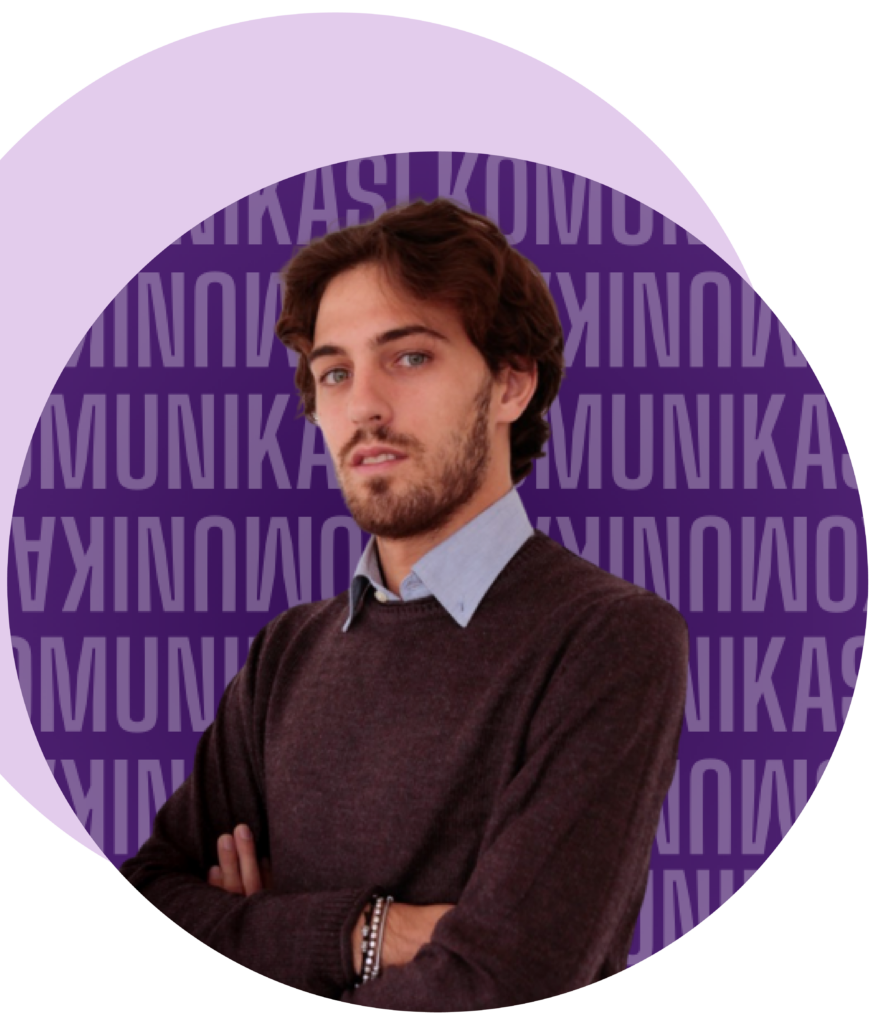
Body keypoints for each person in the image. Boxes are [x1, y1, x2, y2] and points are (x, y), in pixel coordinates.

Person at [120, 199, 688, 1009]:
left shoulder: (608, 637)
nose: (363, 407)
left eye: (410, 357)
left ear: (511, 383)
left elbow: (502, 983)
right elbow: (154, 891)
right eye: (335, 373)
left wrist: (262, 931)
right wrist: (365, 932)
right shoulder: (288, 651)